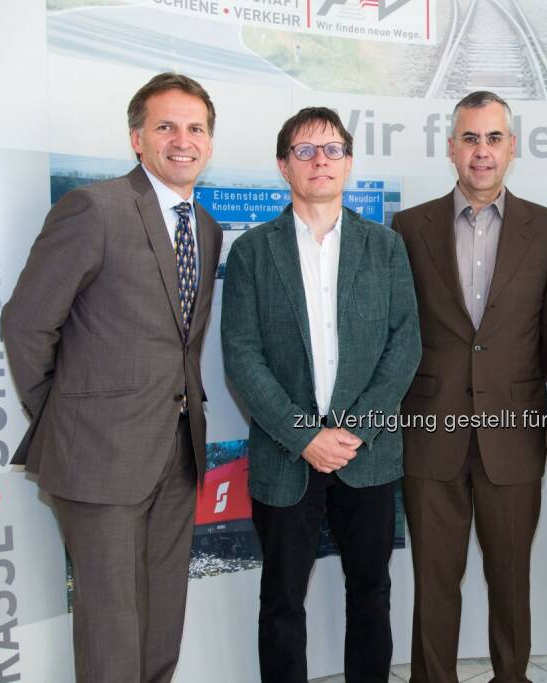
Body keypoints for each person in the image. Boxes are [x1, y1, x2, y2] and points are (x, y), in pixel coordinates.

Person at [2, 72, 222, 682]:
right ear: (136, 138)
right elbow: (25, 325)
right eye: (166, 126)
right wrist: (67, 417)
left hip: (177, 455)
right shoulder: (94, 209)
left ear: (209, 142)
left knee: (160, 620)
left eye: (196, 128)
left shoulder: (205, 228)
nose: (183, 140)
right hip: (98, 459)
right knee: (110, 627)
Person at [220, 106, 421, 683]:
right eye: (305, 151)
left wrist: (353, 431)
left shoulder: (384, 247)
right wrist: (305, 435)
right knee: (282, 600)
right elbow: (242, 354)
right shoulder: (254, 252)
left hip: (369, 454)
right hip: (287, 455)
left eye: (332, 149)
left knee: (371, 591)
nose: (320, 161)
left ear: (349, 163)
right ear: (284, 166)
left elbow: (404, 344)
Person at [391, 90, 547, 683]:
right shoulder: (409, 227)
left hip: (513, 435)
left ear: (512, 147)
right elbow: (401, 328)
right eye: (470, 138)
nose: (482, 151)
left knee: (510, 578)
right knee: (434, 579)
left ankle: (510, 676)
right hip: (430, 433)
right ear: (451, 148)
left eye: (494, 138)